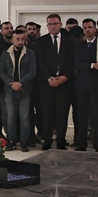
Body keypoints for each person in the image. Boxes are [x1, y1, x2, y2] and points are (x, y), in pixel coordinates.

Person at [34, 14, 75, 150]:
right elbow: (40, 61)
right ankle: (47, 140)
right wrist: (49, 78)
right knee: (47, 112)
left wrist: (65, 77)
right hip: (47, 84)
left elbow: (72, 61)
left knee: (62, 113)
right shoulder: (41, 41)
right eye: (50, 24)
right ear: (47, 26)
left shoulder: (69, 41)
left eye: (55, 24)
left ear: (60, 24)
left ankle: (61, 140)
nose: (52, 26)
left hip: (64, 83)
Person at [73, 21, 98, 152]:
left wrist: (88, 65)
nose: (87, 30)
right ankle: (82, 142)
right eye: (85, 28)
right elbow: (77, 63)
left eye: (90, 27)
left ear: (95, 29)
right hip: (82, 84)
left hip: (97, 84)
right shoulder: (79, 46)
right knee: (82, 114)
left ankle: (97, 142)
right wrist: (92, 65)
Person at [0, 30, 36, 151]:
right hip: (10, 90)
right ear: (12, 40)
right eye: (17, 39)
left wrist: (21, 83)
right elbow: (1, 72)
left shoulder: (30, 53)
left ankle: (24, 141)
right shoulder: (5, 54)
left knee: (24, 117)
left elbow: (32, 71)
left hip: (25, 90)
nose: (20, 42)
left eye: (22, 39)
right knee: (10, 117)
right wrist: (12, 83)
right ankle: (11, 141)